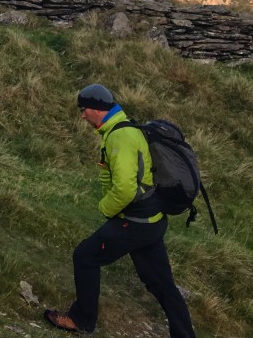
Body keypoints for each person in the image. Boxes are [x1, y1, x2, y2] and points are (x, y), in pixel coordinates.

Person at [44, 83, 196, 337]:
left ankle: (81, 320)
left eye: (84, 110)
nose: (82, 116)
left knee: (85, 256)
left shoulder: (120, 137)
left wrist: (105, 207)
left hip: (135, 222)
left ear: (99, 109)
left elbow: (125, 189)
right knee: (162, 285)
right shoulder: (125, 128)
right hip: (153, 220)